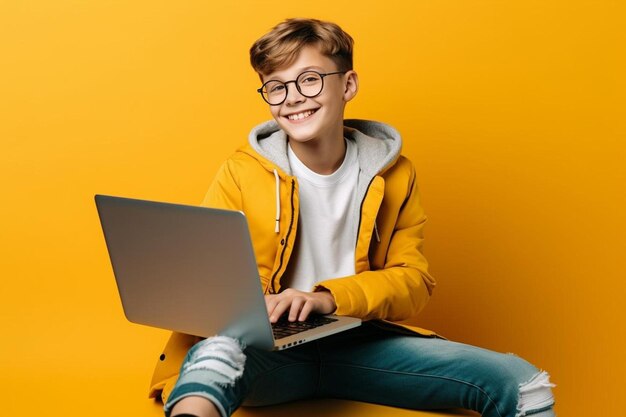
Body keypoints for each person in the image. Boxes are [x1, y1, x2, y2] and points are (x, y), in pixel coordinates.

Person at [149, 18, 556, 417]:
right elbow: (208, 279)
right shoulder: (240, 172)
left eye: (309, 79)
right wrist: (261, 307)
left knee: (521, 382)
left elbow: (413, 281)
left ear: (348, 85)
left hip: (361, 344)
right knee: (217, 355)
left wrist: (326, 298)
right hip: (265, 353)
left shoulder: (395, 174)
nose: (291, 97)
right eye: (275, 87)